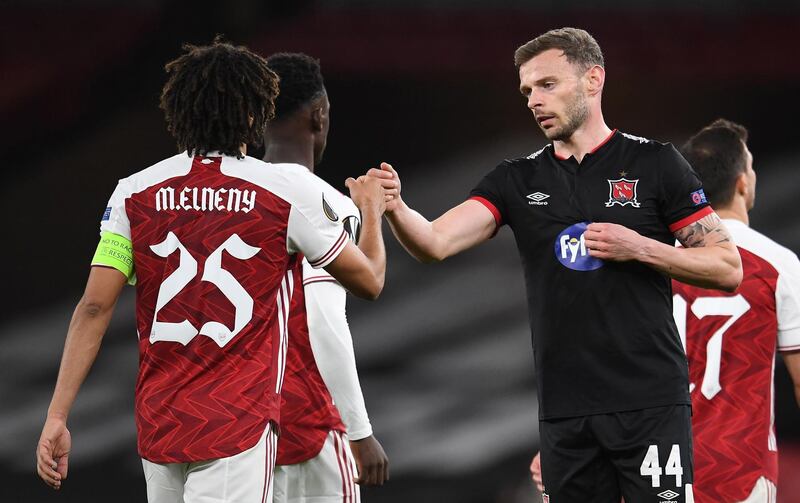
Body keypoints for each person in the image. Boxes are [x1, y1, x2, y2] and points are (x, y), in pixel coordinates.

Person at [367, 27, 742, 502]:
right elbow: (435, 242)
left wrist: (640, 248)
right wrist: (397, 207)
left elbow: (727, 266)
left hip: (648, 403)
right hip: (565, 412)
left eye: (547, 85)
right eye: (526, 91)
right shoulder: (515, 178)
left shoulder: (656, 164)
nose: (533, 101)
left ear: (593, 79)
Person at [35, 38, 388, 503]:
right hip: (236, 422)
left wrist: (58, 416)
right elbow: (368, 282)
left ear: (179, 111)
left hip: (161, 421)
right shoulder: (282, 192)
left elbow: (96, 306)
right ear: (251, 114)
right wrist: (372, 215)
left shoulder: (133, 193)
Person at [261, 52, 390, 502]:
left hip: (235, 422)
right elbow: (324, 316)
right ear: (319, 115)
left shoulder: (233, 192)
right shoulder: (318, 200)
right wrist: (359, 431)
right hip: (305, 422)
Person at [673, 119, 800, 502]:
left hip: (656, 468)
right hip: (739, 467)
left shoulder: (652, 262)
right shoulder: (776, 264)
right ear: (743, 182)